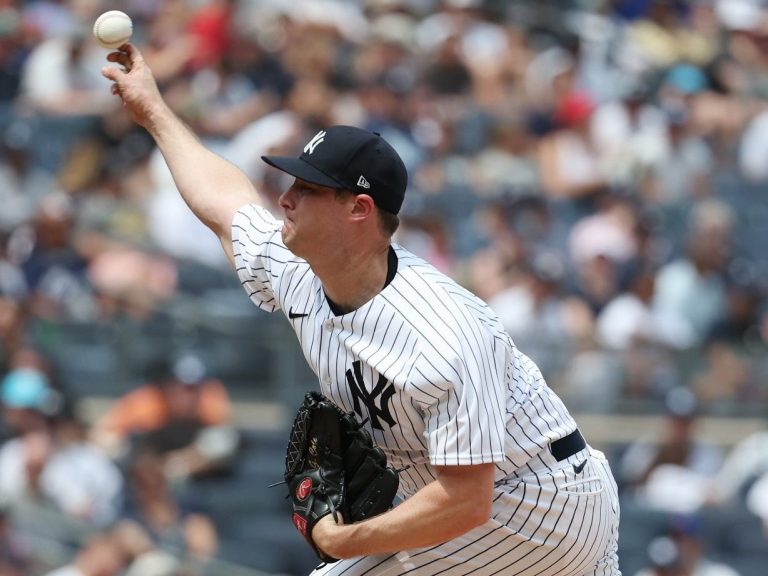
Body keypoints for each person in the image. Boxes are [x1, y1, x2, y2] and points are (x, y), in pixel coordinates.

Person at [100, 43, 621, 576]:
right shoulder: (300, 270)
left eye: (307, 188)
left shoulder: (445, 333)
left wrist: (345, 540)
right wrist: (153, 112)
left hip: (537, 506)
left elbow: (468, 500)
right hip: (471, 499)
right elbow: (225, 202)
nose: (285, 198)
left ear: (359, 208)